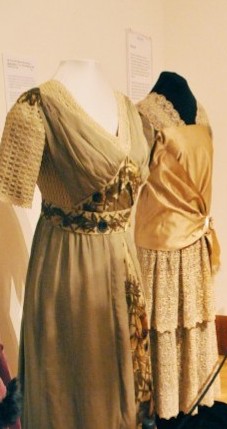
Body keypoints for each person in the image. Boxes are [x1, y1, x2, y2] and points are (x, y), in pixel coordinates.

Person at [0, 59, 153, 428]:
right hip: (69, 269)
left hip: (122, 263)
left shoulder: (126, 108)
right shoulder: (33, 109)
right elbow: (13, 185)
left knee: (118, 385)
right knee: (70, 382)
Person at [135, 72, 227, 428]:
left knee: (186, 323)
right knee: (165, 324)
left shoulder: (182, 114)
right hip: (164, 244)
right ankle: (167, 401)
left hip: (185, 240)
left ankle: (187, 397)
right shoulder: (150, 116)